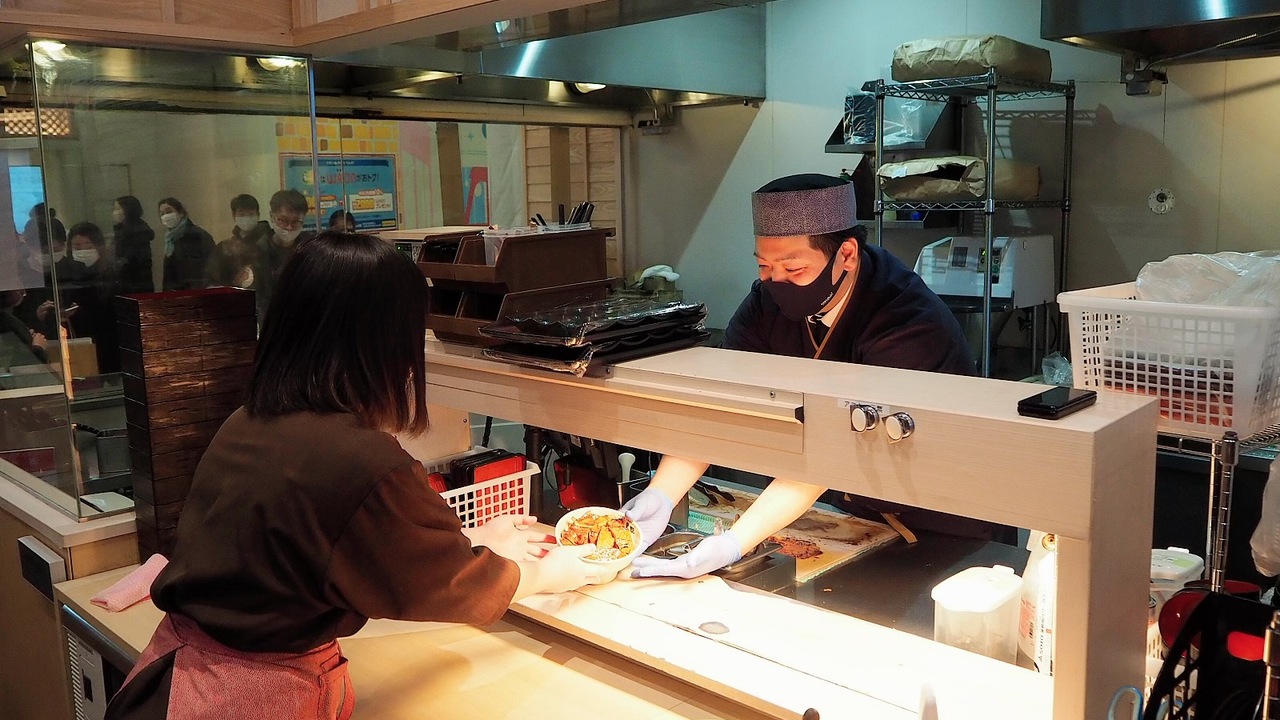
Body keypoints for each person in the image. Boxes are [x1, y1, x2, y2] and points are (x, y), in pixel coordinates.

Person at [103, 232, 612, 720]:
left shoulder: (254, 420)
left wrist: (479, 536)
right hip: (246, 695)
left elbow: (320, 548)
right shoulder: (359, 458)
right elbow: (451, 587)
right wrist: (559, 569)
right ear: (384, 339)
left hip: (178, 671)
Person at [625, 173, 1001, 580]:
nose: (777, 281)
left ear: (847, 255)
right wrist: (662, 493)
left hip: (939, 519)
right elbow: (723, 401)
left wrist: (736, 542)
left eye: (795, 268)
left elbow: (841, 442)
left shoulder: (907, 323)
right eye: (765, 265)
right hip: (849, 509)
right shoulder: (767, 301)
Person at [16, 219, 87, 340]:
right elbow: (14, 316)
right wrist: (37, 316)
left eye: (57, 250)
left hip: (72, 337)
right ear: (29, 245)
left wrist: (72, 312)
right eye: (45, 251)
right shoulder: (19, 272)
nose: (52, 255)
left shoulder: (75, 268)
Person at [67, 222, 122, 373]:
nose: (83, 250)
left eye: (88, 245)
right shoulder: (66, 274)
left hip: (108, 343)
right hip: (79, 343)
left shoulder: (111, 274)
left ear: (98, 246)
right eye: (77, 247)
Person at [253, 188, 312, 315]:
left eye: (295, 222)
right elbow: (257, 298)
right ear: (271, 216)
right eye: (283, 220)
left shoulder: (312, 248)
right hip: (271, 320)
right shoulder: (257, 252)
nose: (289, 227)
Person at [205, 194, 269, 289]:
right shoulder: (225, 248)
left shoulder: (269, 243)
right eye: (242, 214)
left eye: (251, 213)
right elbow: (213, 279)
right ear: (234, 216)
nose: (246, 218)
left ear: (258, 215)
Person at [158, 197, 214, 291]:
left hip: (194, 292)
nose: (165, 216)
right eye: (162, 214)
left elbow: (205, 266)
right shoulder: (170, 238)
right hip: (175, 292)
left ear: (181, 213)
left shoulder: (196, 235)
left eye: (169, 211)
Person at [112, 196, 155, 294]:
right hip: (126, 283)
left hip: (135, 285)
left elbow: (133, 259)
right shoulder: (121, 230)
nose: (114, 212)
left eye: (118, 209)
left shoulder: (138, 232)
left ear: (128, 210)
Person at [0, 289, 48, 366]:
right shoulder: (5, 321)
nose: (23, 292)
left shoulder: (8, 318)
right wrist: (38, 348)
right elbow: (15, 364)